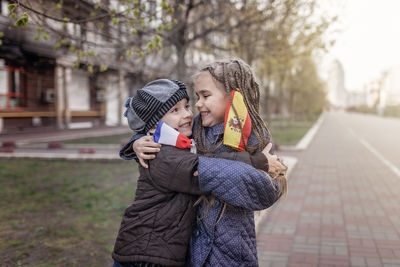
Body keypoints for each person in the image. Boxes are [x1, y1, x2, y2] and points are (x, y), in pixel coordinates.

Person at [127, 58, 288, 266]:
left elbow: (267, 190)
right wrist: (137, 142)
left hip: (233, 249)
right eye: (197, 96)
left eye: (205, 95)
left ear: (233, 97)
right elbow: (160, 132)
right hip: (193, 247)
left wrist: (205, 169)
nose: (198, 104)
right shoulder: (196, 126)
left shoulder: (254, 135)